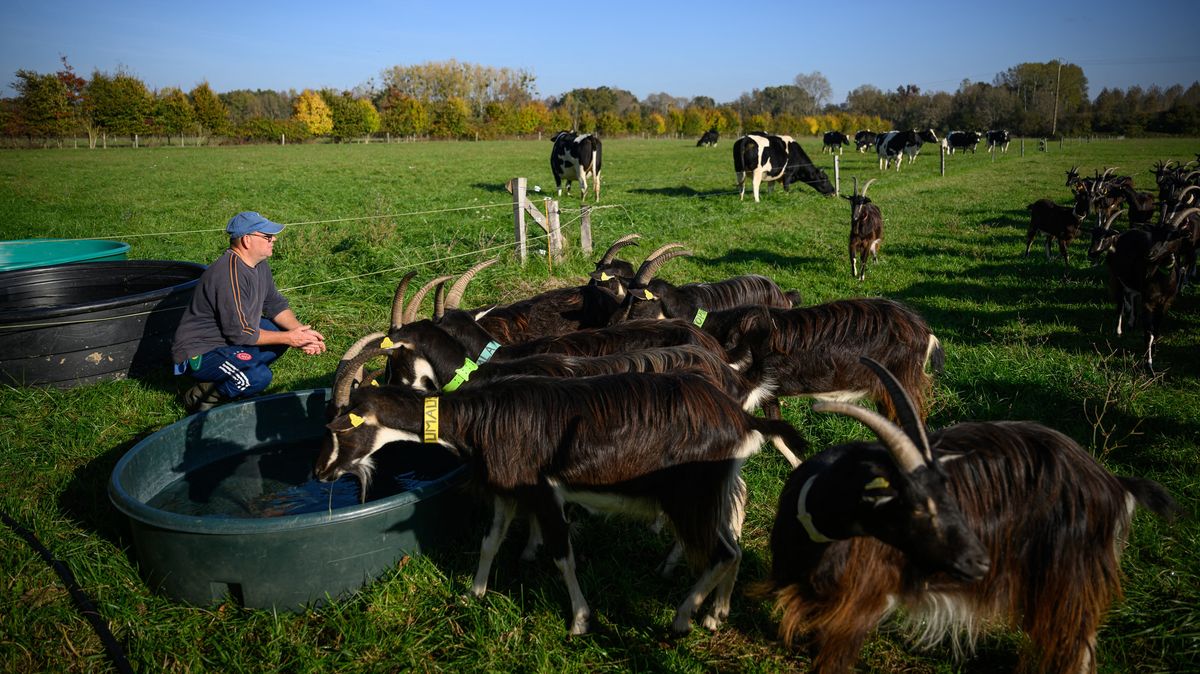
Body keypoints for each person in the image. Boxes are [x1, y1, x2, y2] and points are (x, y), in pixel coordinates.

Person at [171, 211, 326, 413]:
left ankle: (236, 375)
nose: (274, 239)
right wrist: (289, 338)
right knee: (258, 377)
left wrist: (300, 333)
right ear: (246, 240)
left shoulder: (259, 265)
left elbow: (274, 304)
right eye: (268, 236)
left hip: (228, 339)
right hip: (202, 350)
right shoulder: (228, 274)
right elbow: (240, 333)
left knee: (276, 328)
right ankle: (201, 398)